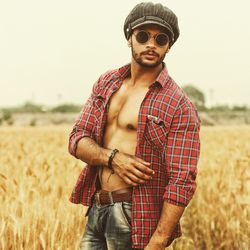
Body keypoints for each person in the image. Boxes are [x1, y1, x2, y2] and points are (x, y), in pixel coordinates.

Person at [68, 2, 200, 250]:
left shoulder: (178, 105)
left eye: (160, 39)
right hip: (97, 208)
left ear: (168, 46)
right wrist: (112, 158)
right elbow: (77, 138)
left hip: (133, 214)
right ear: (130, 38)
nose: (151, 44)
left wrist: (159, 241)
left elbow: (182, 180)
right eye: (143, 36)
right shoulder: (107, 83)